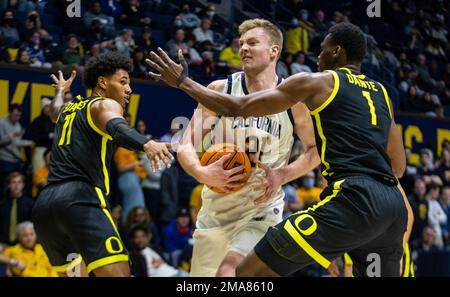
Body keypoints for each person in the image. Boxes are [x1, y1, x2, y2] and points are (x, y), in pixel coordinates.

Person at [147, 22, 410, 276]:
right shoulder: (382, 93)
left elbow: (239, 109)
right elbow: (398, 167)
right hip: (389, 206)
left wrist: (183, 82)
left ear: (336, 51)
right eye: (241, 44)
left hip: (287, 205)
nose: (317, 56)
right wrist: (202, 172)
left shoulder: (312, 85)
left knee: (237, 273)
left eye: (322, 48)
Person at [174, 19, 319, 277]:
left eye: (252, 43)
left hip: (261, 209)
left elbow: (314, 151)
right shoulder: (221, 89)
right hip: (216, 212)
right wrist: (201, 172)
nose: (243, 49)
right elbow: (185, 145)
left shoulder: (293, 100)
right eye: (241, 44)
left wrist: (282, 175)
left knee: (230, 273)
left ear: (274, 50)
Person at [32, 52, 174, 277]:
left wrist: (60, 91)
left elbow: (53, 112)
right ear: (102, 82)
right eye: (123, 82)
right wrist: (147, 144)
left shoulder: (69, 109)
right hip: (81, 198)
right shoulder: (103, 104)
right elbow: (117, 128)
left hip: (46, 206)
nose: (129, 89)